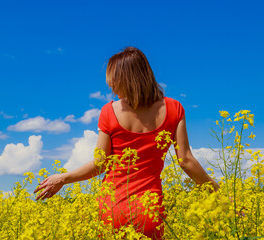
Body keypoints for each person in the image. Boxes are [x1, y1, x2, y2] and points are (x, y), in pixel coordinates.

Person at [34, 47, 220, 239]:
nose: (110, 87)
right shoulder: (175, 109)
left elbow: (100, 164)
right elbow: (186, 160)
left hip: (113, 209)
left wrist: (63, 178)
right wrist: (220, 194)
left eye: (113, 81)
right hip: (149, 211)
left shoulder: (108, 111)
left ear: (128, 79)